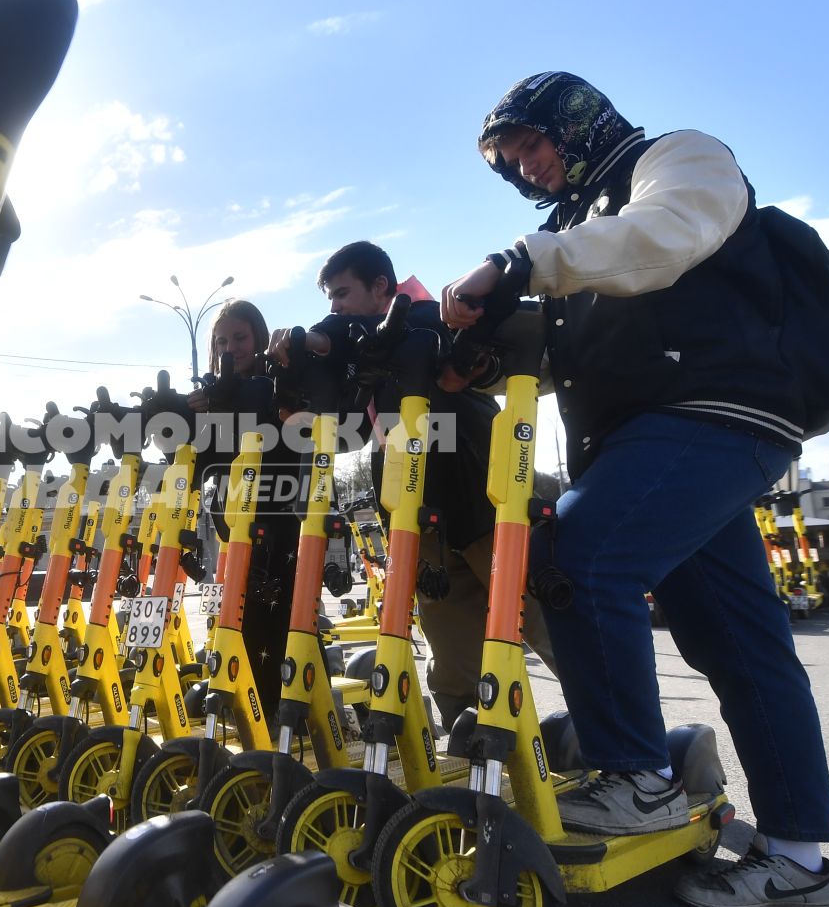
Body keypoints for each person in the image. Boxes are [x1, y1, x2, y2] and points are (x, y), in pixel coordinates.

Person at [440, 71, 829, 907]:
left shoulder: (678, 161)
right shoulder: (574, 228)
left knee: (573, 554)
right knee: (737, 638)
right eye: (512, 161)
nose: (529, 167)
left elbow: (662, 239)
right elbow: (576, 352)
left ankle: (639, 780)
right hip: (656, 436)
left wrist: (523, 260)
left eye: (533, 143)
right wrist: (479, 357)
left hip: (715, 413)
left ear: (577, 121)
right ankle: (800, 860)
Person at [271, 240, 561, 730]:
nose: (335, 307)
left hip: (486, 507)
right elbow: (353, 433)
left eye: (342, 293)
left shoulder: (432, 319)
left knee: (552, 633)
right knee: (454, 667)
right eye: (330, 300)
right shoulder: (372, 354)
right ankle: (479, 766)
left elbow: (403, 337)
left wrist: (324, 338)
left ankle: (631, 755)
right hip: (422, 525)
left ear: (380, 286)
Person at [187, 299, 299, 719]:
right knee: (234, 614)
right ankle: (239, 699)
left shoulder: (277, 381)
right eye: (221, 340)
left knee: (277, 612)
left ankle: (278, 706)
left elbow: (293, 442)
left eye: (239, 337)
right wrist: (195, 415)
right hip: (230, 521)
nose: (230, 346)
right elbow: (200, 463)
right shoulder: (210, 394)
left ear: (257, 336)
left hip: (278, 516)